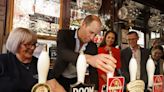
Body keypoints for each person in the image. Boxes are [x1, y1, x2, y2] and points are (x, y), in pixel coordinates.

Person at [52, 15, 117, 91]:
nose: (92, 37)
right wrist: (88, 58)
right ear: (83, 24)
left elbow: (93, 72)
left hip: (76, 81)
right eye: (91, 32)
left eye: (95, 34)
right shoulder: (64, 34)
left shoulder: (92, 46)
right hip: (57, 78)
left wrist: (95, 90)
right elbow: (63, 52)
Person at [0, 27, 65, 92]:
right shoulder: (2, 61)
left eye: (34, 44)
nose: (32, 48)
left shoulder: (40, 64)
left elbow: (56, 87)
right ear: (15, 44)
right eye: (27, 45)